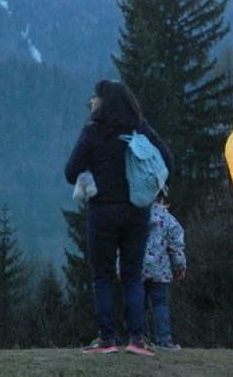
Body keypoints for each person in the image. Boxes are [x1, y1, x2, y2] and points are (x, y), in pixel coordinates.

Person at [65, 79, 173, 357]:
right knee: (132, 276)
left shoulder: (93, 129)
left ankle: (107, 339)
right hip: (137, 210)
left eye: (95, 96)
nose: (92, 100)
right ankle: (136, 339)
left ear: (102, 101)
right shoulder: (140, 126)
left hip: (102, 211)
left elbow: (70, 171)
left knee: (102, 275)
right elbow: (167, 160)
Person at [142, 195, 186, 351]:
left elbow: (122, 244)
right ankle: (164, 340)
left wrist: (120, 267)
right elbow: (176, 245)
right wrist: (180, 266)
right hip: (159, 269)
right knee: (160, 304)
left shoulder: (133, 216)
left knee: (139, 304)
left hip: (136, 269)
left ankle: (141, 339)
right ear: (161, 200)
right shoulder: (168, 219)